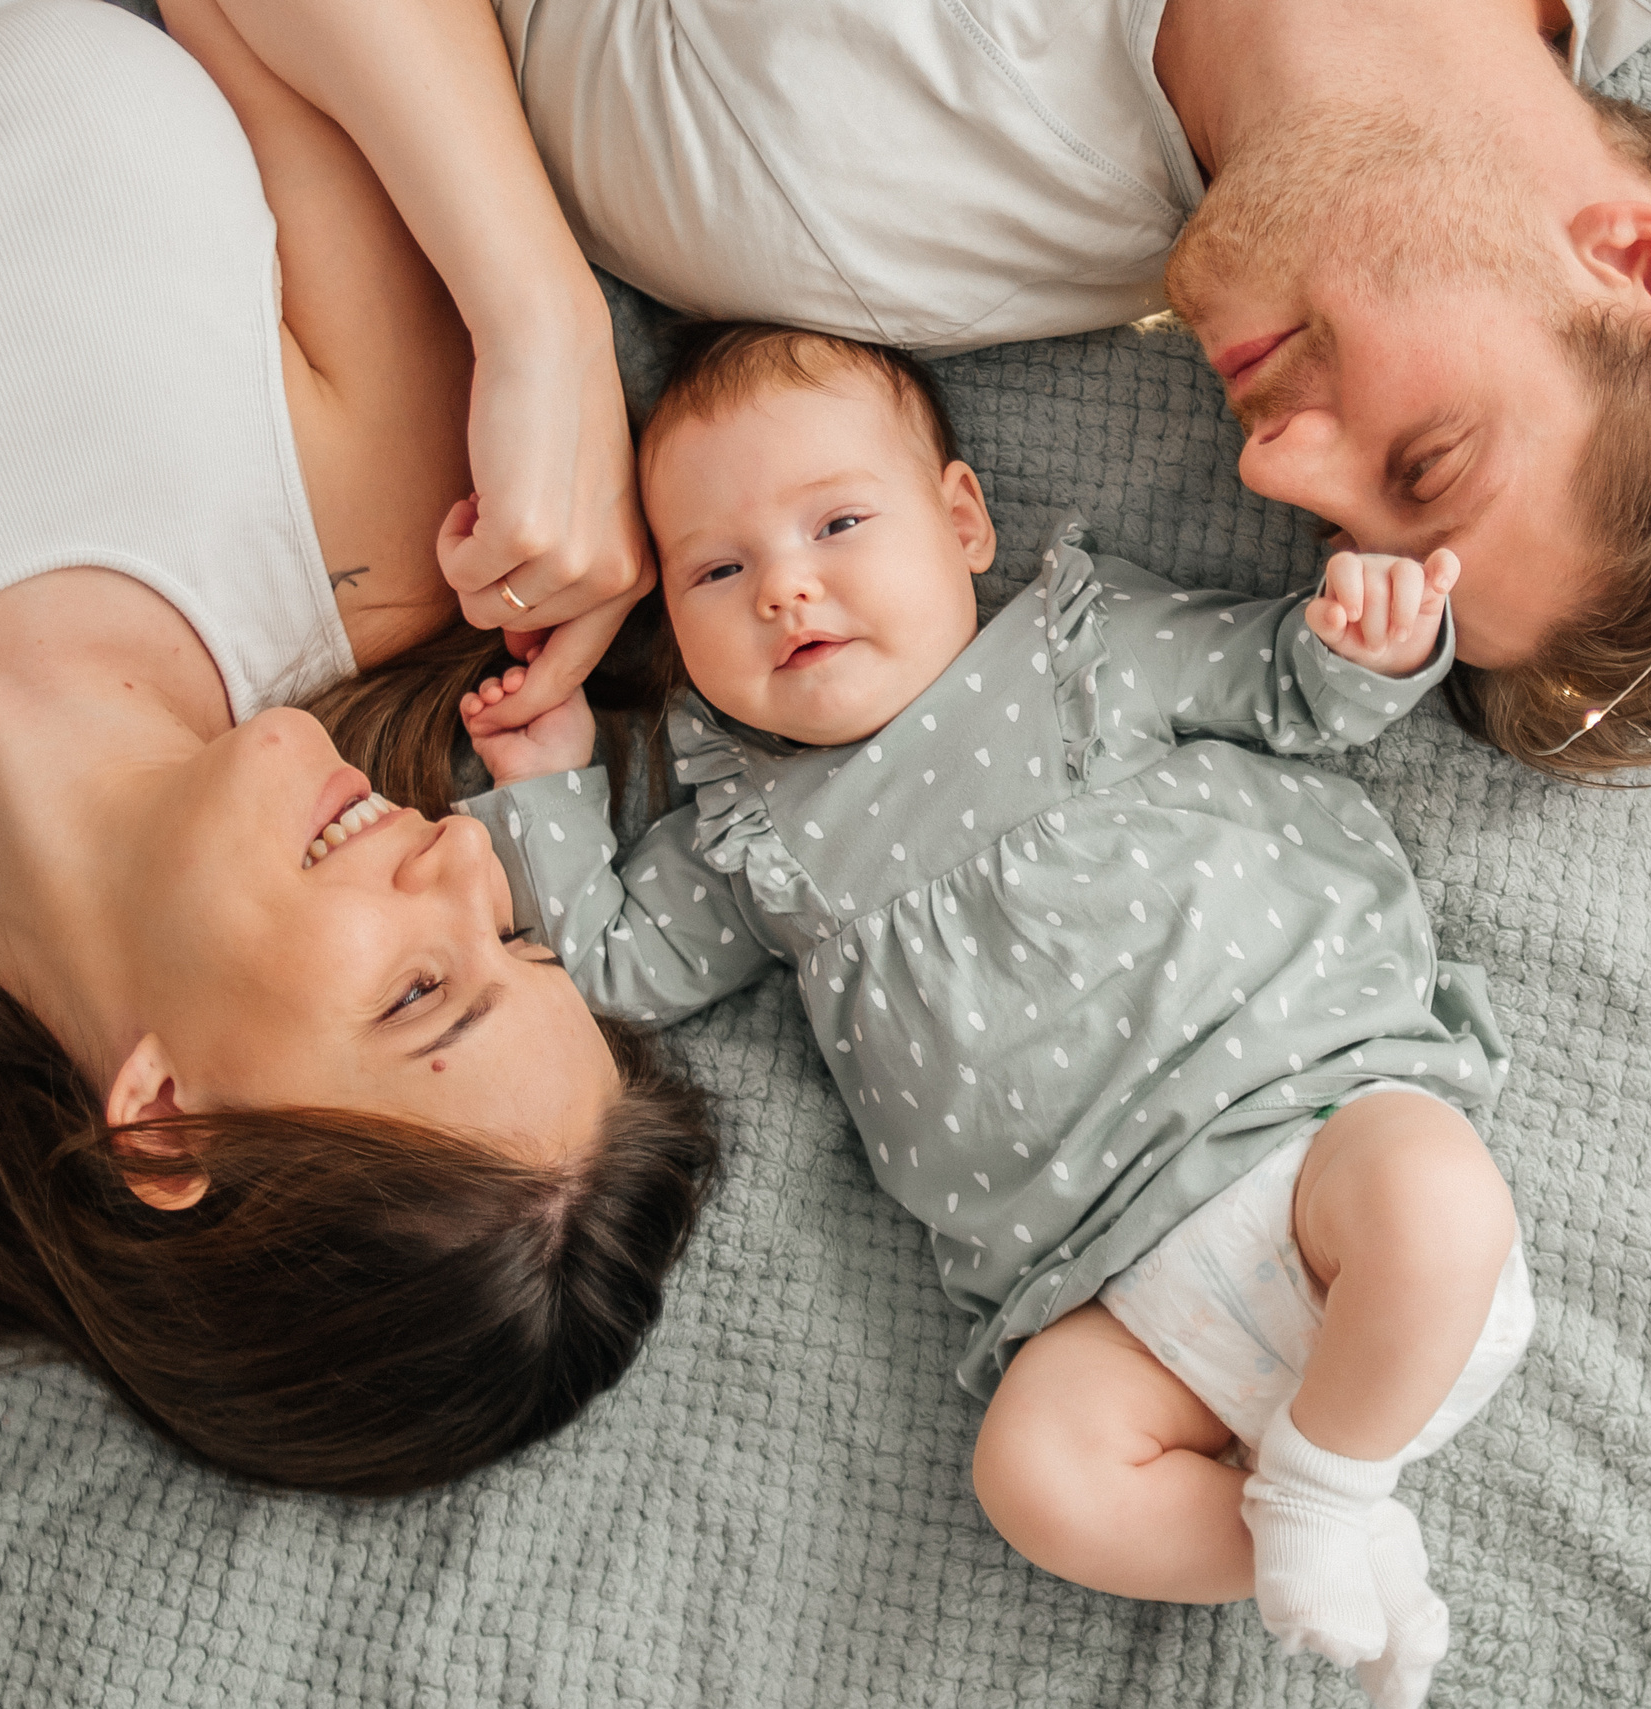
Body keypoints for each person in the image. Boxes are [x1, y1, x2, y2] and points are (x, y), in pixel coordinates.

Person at [453, 323, 1537, 1708]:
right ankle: (1326, 1522)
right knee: (1034, 1478)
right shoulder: (752, 833)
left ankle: (1321, 1485)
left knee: (1437, 1195)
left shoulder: (1082, 647)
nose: (785, 587)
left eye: (838, 523)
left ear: (963, 520)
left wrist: (1374, 641)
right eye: (717, 571)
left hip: (1311, 1126)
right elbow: (616, 965)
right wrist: (545, 781)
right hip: (1118, 1298)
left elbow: (1287, 684)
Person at [203, 0, 1651, 776]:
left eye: (1341, 524)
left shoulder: (812, 194)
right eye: (1424, 461)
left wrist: (534, 315)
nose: (1275, 472)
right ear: (1641, 267)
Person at [0, 0, 712, 1495]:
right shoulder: (391, 528)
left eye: (422, 989)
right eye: (517, 932)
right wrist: (540, 315)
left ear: (166, 1128)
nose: (464, 852)